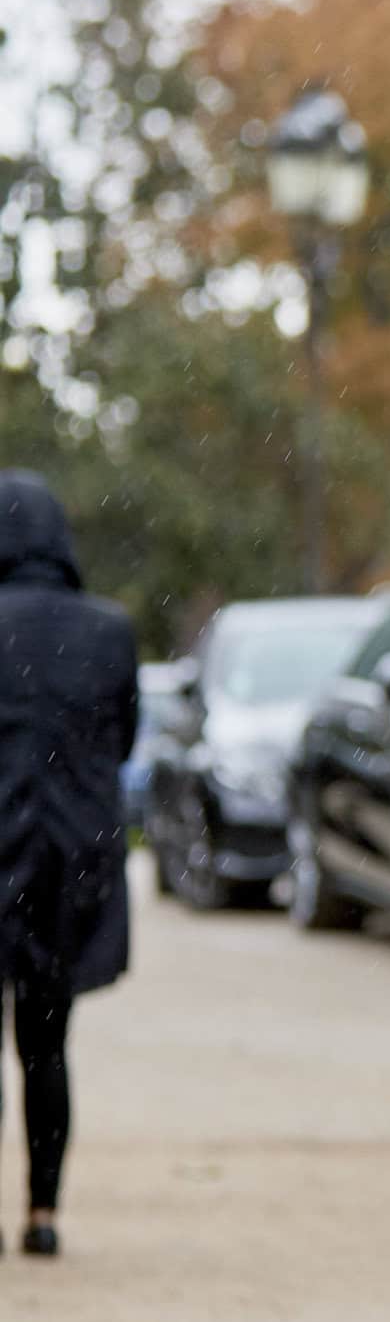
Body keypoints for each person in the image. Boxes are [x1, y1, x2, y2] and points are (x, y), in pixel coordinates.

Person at [0, 474, 138, 1257]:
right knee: (47, 1045)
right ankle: (43, 1214)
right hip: (68, 864)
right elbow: (120, 743)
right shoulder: (108, 630)